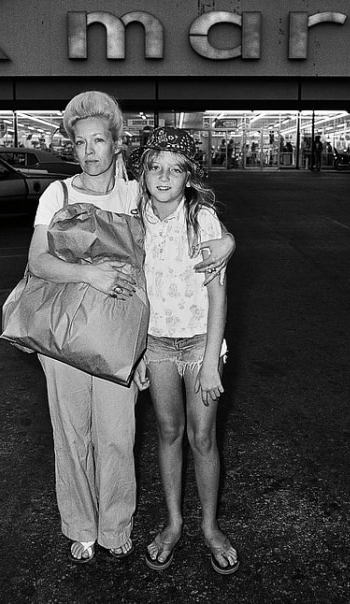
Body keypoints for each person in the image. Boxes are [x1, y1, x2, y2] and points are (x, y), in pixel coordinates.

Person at [27, 92, 235, 565]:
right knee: (72, 433)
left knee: (120, 435)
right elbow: (37, 261)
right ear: (72, 147)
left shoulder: (132, 194)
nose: (90, 150)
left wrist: (229, 240)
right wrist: (89, 274)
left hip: (124, 338)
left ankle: (117, 525)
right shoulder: (56, 195)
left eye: (100, 140)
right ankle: (80, 526)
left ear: (117, 145)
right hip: (66, 335)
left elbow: (190, 210)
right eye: (81, 143)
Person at [131, 126, 240, 575]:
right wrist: (137, 351)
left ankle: (210, 526)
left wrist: (211, 360)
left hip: (199, 342)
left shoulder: (203, 219)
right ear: (142, 173)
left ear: (189, 177)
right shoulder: (135, 217)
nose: (163, 178)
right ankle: (174, 522)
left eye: (174, 170)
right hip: (156, 343)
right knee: (168, 433)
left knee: (202, 436)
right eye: (155, 168)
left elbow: (219, 295)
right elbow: (134, 291)